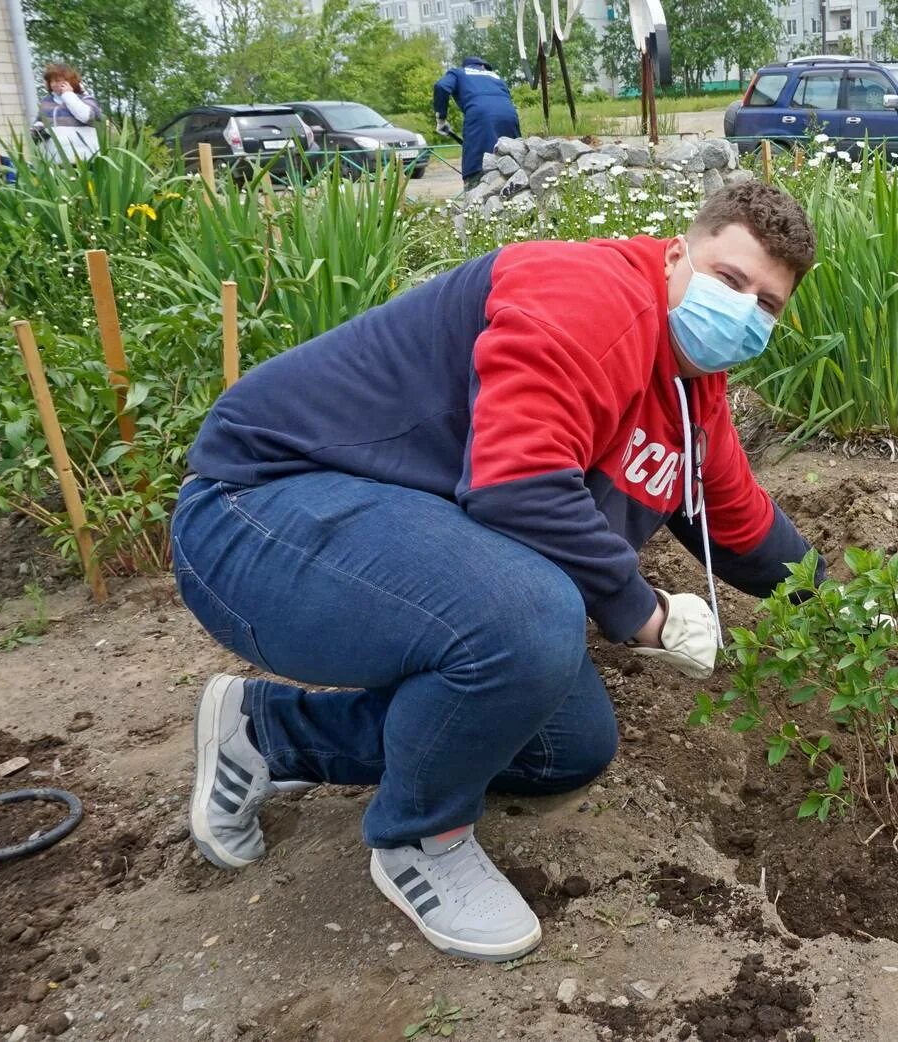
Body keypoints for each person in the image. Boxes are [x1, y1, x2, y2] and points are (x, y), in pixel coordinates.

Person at [175, 182, 824, 962]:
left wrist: (841, 605)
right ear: (679, 252)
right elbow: (516, 485)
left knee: (566, 745)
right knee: (531, 616)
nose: (744, 310)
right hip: (258, 512)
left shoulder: (692, 398)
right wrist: (644, 612)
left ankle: (266, 732)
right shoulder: (591, 297)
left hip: (392, 532)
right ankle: (420, 840)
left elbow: (746, 529)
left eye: (768, 304)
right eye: (730, 279)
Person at [433, 55, 521, 188]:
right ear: (483, 66)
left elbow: (441, 86)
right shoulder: (496, 77)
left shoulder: (458, 72)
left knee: (477, 165)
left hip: (481, 116)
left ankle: (475, 196)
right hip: (509, 115)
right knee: (511, 159)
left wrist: (441, 119)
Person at [32, 63, 101, 162]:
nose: (54, 84)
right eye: (51, 81)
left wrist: (68, 94)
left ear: (69, 81)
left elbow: (86, 116)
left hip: (85, 158)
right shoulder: (46, 103)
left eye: (58, 80)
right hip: (57, 160)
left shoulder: (87, 99)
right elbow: (40, 122)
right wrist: (37, 130)